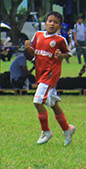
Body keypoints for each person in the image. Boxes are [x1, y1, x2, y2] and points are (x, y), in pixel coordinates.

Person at [25, 12, 75, 147]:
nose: (52, 24)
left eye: (56, 22)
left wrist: (60, 56)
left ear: (59, 26)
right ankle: (67, 129)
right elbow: (34, 53)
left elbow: (68, 54)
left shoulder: (59, 40)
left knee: (37, 102)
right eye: (50, 21)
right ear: (45, 22)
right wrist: (28, 48)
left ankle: (46, 131)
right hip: (40, 73)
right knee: (53, 104)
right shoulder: (38, 35)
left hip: (50, 74)